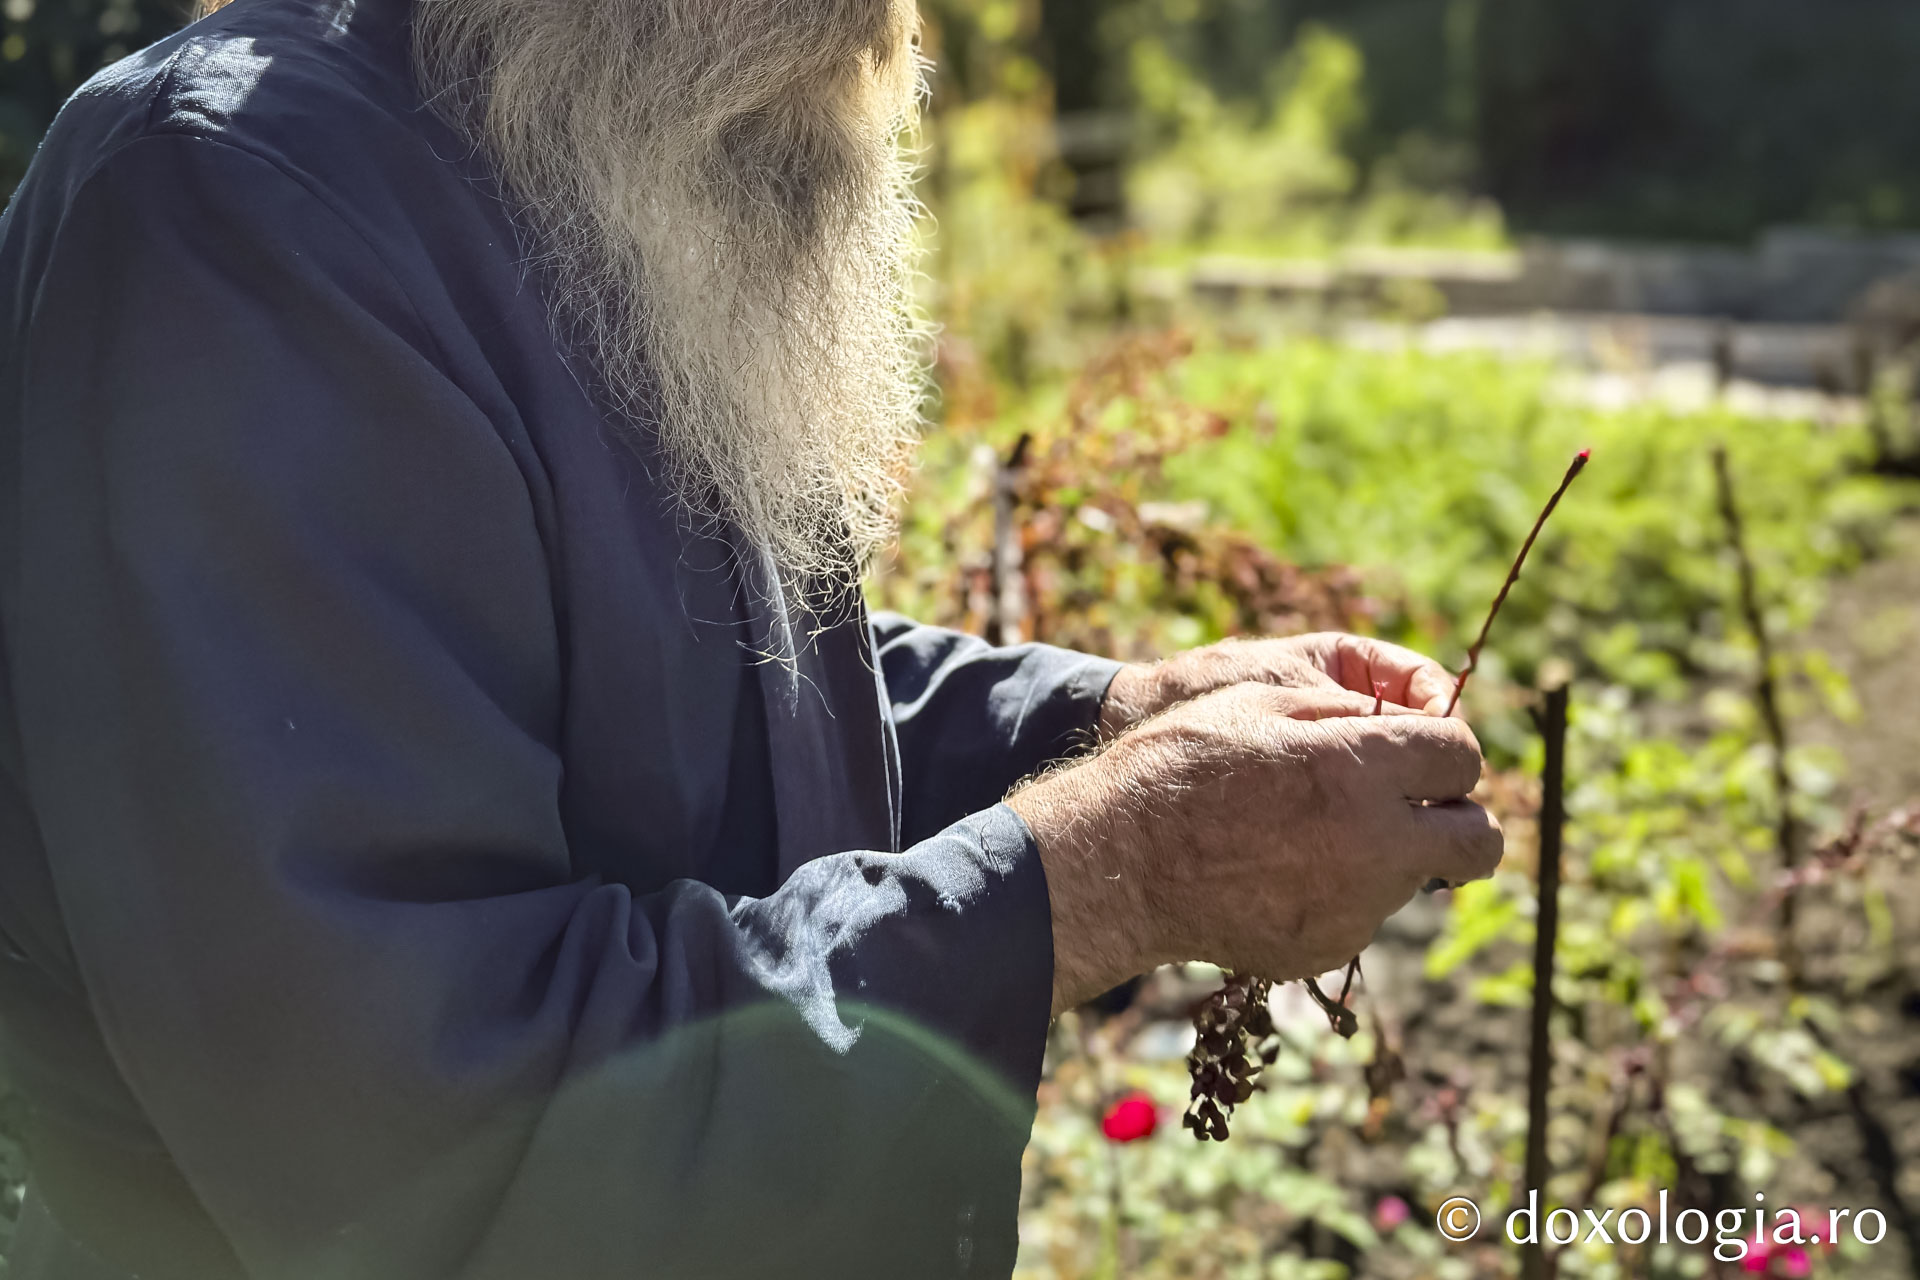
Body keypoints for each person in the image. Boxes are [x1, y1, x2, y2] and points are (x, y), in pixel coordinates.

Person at [0, 0, 1503, 1275]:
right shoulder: (247, 217)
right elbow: (414, 1110)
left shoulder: (583, 133)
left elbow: (711, 695)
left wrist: (1109, 722)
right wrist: (1113, 867)